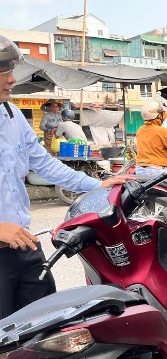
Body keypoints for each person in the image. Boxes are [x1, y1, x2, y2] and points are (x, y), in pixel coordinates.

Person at [0, 35, 133, 319]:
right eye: (3, 71)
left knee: (43, 327)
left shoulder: (12, 115)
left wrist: (97, 185)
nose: (11, 79)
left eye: (11, 70)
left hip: (25, 246)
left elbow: (45, 163)